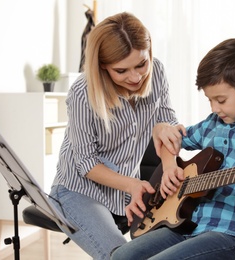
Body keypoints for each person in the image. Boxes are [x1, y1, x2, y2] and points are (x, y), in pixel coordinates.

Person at [111, 38, 235, 259]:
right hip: (190, 227)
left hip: (233, 235)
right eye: (210, 100)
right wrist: (168, 163)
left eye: (221, 100)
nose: (215, 108)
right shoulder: (212, 124)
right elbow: (169, 138)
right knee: (120, 256)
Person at [48, 12, 182, 259]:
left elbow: (167, 124)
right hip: (79, 189)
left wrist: (169, 165)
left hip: (126, 192)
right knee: (120, 256)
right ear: (103, 66)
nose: (135, 77)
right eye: (121, 70)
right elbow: (87, 164)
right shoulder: (82, 93)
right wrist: (133, 184)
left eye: (142, 64)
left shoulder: (158, 72)